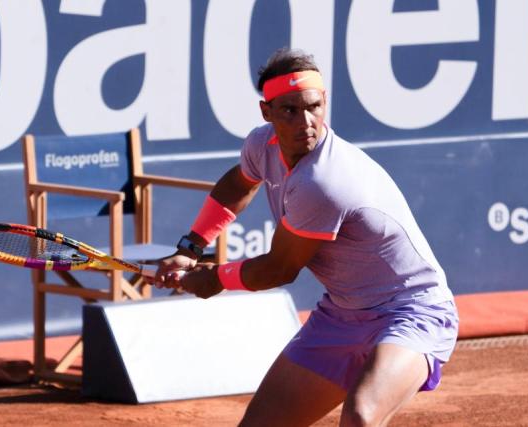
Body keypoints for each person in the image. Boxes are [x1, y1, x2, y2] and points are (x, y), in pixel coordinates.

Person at [154, 48, 458, 427]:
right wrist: (191, 248)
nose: (306, 122)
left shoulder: (325, 181)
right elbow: (238, 185)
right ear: (266, 112)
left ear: (324, 102)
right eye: (289, 111)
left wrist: (214, 279)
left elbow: (279, 268)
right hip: (342, 315)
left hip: (411, 310)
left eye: (314, 107)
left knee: (362, 415)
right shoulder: (260, 145)